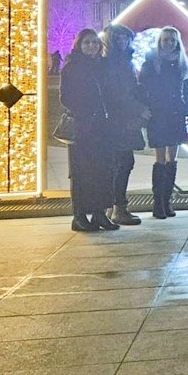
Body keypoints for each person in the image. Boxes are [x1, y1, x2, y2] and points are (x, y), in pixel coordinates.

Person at [62, 29, 117, 231]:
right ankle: (79, 215)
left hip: (104, 128)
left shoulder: (103, 66)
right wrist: (85, 111)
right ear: (79, 45)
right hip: (83, 128)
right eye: (87, 43)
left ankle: (99, 213)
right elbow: (65, 97)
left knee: (103, 171)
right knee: (82, 172)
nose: (91, 46)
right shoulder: (72, 68)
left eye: (94, 43)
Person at [139, 26, 188, 219]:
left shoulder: (182, 63)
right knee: (160, 159)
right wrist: (148, 108)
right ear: (160, 42)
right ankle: (158, 203)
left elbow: (187, 88)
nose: (169, 43)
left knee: (172, 159)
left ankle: (167, 201)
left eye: (172, 40)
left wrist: (187, 106)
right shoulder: (151, 63)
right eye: (165, 40)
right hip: (158, 115)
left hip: (175, 115)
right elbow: (142, 88)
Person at [101, 24, 146, 225]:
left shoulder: (125, 61)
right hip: (117, 121)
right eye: (117, 38)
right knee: (121, 163)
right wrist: (139, 108)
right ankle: (117, 207)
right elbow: (118, 93)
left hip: (125, 119)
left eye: (124, 38)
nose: (121, 41)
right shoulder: (111, 63)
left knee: (123, 163)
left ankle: (115, 207)